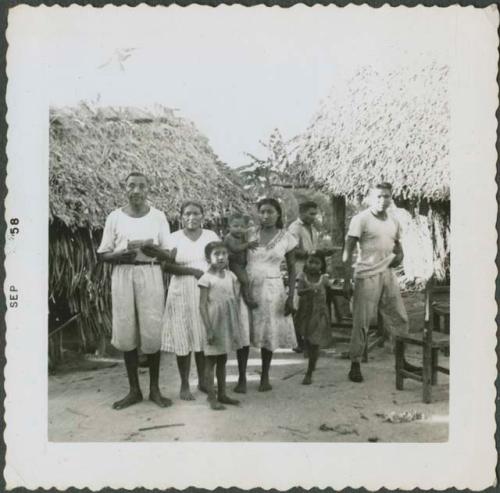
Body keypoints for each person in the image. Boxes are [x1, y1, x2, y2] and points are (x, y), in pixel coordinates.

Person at [97, 171, 174, 410]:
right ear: (125, 188)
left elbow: (169, 254)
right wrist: (120, 255)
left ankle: (155, 389)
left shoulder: (158, 216)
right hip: (123, 273)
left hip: (149, 272)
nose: (137, 191)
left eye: (141, 186)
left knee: (152, 329)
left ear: (148, 189)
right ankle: (134, 390)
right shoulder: (115, 217)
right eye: (132, 186)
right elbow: (103, 254)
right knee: (125, 327)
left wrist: (154, 251)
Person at [342, 182, 413, 383]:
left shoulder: (394, 221)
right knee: (362, 322)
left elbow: (398, 246)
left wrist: (400, 256)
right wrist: (347, 279)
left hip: (388, 273)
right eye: (379, 196)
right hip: (366, 275)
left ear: (392, 198)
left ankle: (401, 360)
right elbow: (347, 250)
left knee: (400, 319)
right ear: (371, 198)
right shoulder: (361, 219)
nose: (383, 200)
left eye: (387, 196)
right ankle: (355, 364)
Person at [234, 198, 297, 393]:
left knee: (268, 333)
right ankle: (242, 378)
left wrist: (291, 295)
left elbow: (293, 269)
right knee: (244, 330)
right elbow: (238, 262)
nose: (265, 216)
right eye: (262, 212)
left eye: (270, 212)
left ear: (278, 214)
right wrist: (245, 290)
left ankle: (265, 376)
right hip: (247, 283)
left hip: (272, 288)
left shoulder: (286, 237)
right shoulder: (249, 234)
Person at [161, 201, 219, 400]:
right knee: (183, 337)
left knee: (203, 337)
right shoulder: (172, 238)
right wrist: (192, 271)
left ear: (203, 215)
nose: (191, 217)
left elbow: (220, 260)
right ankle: (185, 384)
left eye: (195, 213)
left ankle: (203, 381)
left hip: (205, 291)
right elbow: (166, 266)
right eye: (187, 214)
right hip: (181, 292)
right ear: (181, 216)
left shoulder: (211, 236)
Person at [198, 241, 243, 410]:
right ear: (207, 258)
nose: (221, 257)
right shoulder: (206, 279)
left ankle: (222, 394)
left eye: (224, 253)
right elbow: (202, 306)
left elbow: (233, 299)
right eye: (216, 253)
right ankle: (211, 397)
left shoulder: (231, 276)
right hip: (214, 323)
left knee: (223, 359)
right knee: (211, 361)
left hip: (227, 323)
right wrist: (209, 329)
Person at [288, 201, 321, 352]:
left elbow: (312, 249)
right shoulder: (295, 228)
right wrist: (312, 253)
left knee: (309, 307)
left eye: (315, 213)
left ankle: (307, 338)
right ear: (301, 213)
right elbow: (292, 251)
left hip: (311, 270)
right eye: (311, 213)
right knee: (299, 307)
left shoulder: (313, 228)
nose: (314, 216)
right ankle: (297, 341)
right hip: (299, 270)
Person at [295, 252, 331, 385]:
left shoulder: (324, 279)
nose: (313, 265)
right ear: (306, 263)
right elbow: (299, 291)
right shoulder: (302, 277)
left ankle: (309, 373)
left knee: (314, 342)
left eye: (317, 263)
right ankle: (311, 358)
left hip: (319, 314)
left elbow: (330, 294)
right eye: (311, 262)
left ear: (322, 265)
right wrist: (308, 291)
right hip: (305, 313)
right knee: (308, 341)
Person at [224, 213, 259, 308]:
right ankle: (247, 298)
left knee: (248, 280)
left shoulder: (242, 236)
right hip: (234, 263)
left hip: (243, 263)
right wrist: (248, 244)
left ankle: (248, 296)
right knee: (244, 281)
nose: (239, 229)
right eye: (235, 226)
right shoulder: (228, 238)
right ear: (229, 227)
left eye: (242, 226)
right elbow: (235, 249)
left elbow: (253, 229)